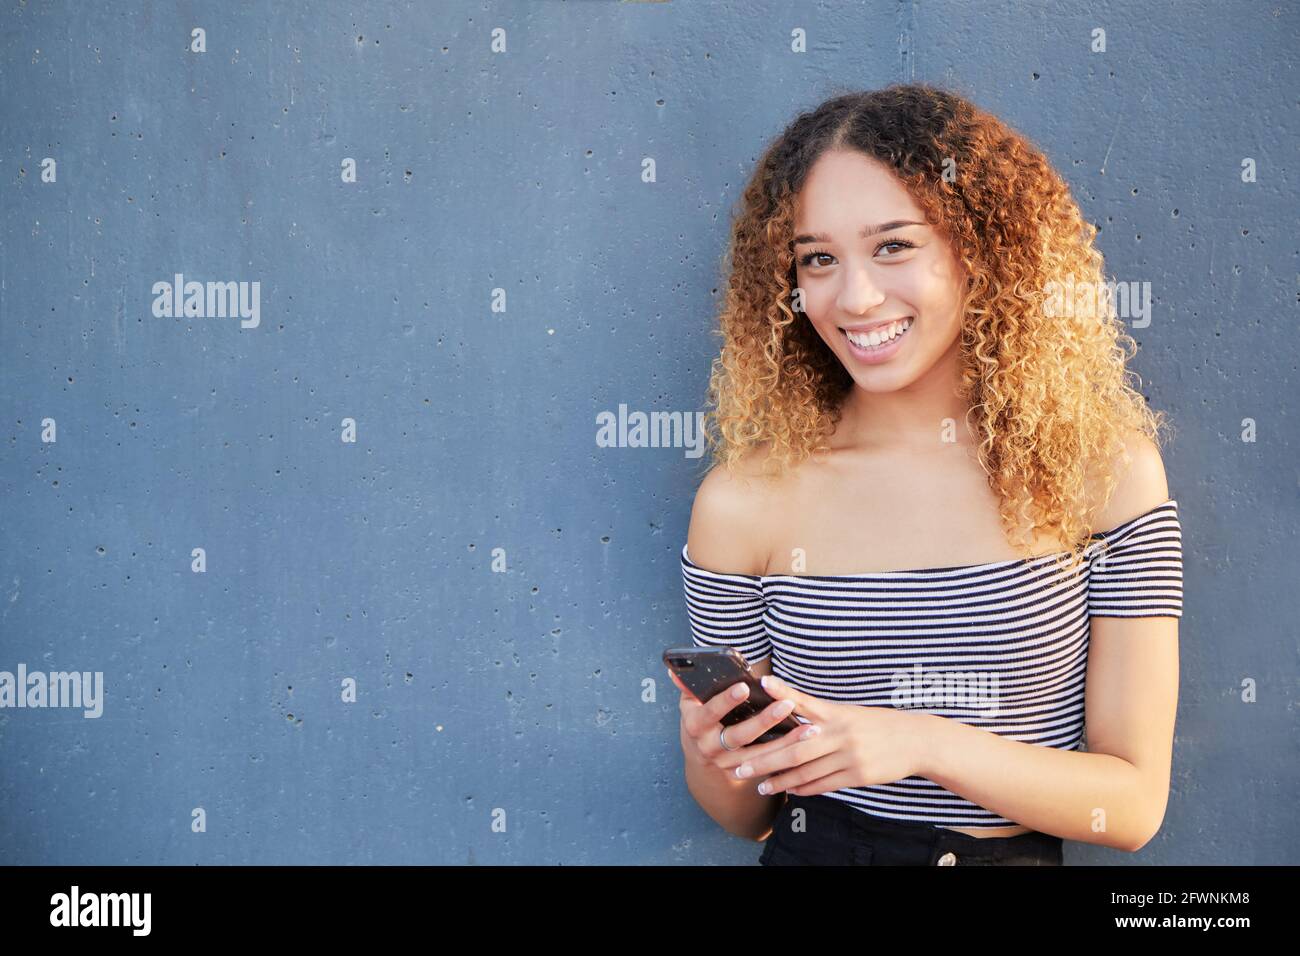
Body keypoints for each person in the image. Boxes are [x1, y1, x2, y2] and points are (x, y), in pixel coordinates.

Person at [668, 84, 1184, 866]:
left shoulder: (1102, 476)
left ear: (983, 249)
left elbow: (1133, 806)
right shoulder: (742, 505)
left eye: (894, 246)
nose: (857, 296)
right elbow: (749, 818)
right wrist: (713, 752)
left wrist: (917, 742)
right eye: (818, 259)